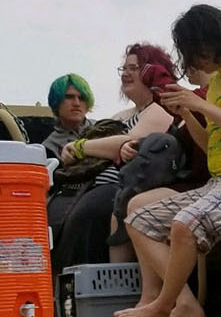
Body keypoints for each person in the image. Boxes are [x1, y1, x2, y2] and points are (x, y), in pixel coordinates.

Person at [115, 7, 221, 317]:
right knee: (138, 219)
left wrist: (199, 104)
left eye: (196, 51)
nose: (195, 61)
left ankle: (162, 305)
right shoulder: (217, 84)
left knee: (185, 223)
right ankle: (184, 304)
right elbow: (210, 146)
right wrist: (188, 114)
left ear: (212, 41)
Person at [50, 44, 180, 273]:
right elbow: (100, 146)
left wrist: (80, 147)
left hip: (121, 188)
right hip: (89, 187)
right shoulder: (120, 116)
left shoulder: (159, 111)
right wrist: (72, 152)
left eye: (135, 68)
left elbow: (127, 142)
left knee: (87, 216)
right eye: (124, 68)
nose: (126, 73)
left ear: (154, 72)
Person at [42, 73, 126, 235]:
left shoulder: (106, 130)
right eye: (69, 97)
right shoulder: (47, 148)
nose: (76, 103)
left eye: (81, 98)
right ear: (56, 102)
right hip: (70, 205)